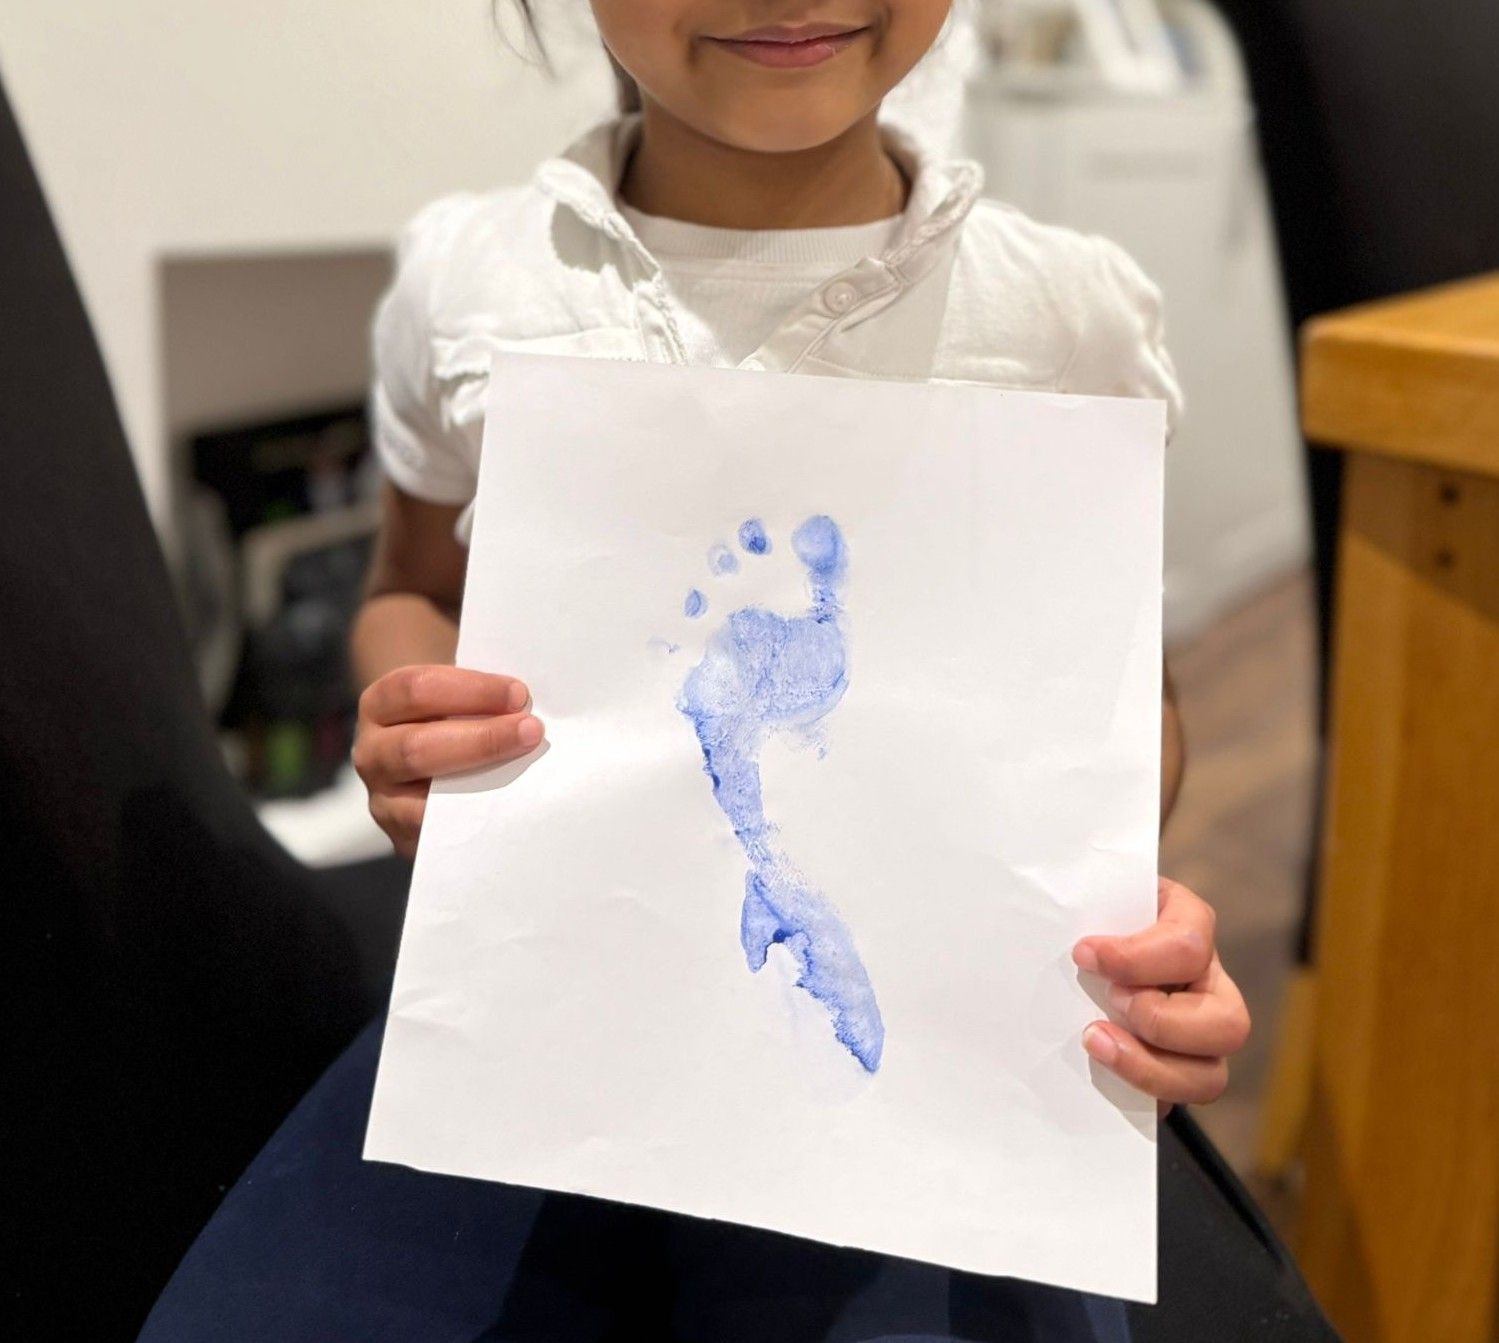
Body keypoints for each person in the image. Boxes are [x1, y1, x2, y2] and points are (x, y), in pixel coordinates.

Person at [142, 5, 1249, 1339]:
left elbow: (1130, 703)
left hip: (913, 1096)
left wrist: (1126, 907)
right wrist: (408, 715)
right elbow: (414, 586)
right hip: (540, 1029)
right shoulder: (476, 282)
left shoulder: (1069, 321)